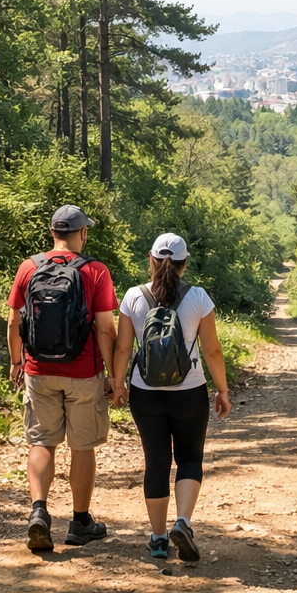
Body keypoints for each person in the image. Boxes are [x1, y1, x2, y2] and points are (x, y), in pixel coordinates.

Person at [112, 233, 232, 562]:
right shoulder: (198, 298)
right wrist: (221, 390)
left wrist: (118, 384)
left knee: (157, 462)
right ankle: (182, 521)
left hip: (145, 393)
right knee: (190, 458)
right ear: (184, 264)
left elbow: (123, 347)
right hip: (189, 391)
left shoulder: (134, 297)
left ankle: (159, 539)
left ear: (150, 260)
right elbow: (212, 350)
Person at [6, 205, 118, 552]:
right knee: (82, 445)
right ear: (82, 233)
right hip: (84, 372)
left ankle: (39, 511)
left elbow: (13, 322)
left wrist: (15, 361)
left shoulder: (29, 267)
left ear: (52, 232)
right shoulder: (95, 271)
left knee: (42, 441)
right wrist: (113, 373)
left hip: (39, 371)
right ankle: (80, 521)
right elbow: (105, 327)